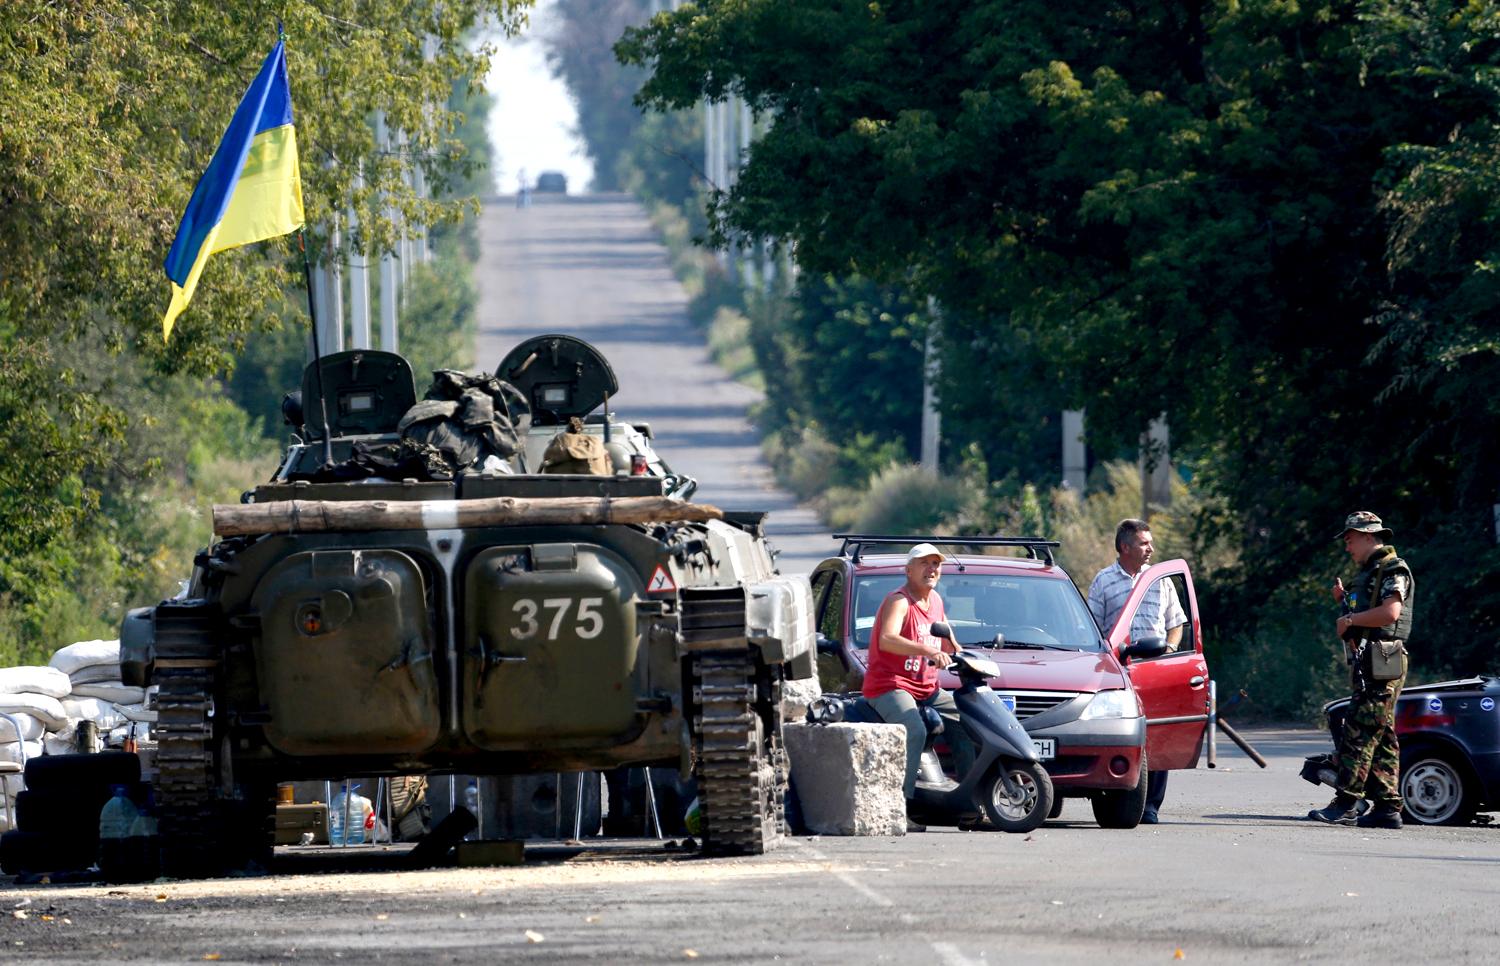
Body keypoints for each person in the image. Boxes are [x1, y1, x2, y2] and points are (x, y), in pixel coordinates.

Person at [1308, 511, 1414, 830]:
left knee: (1360, 727)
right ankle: (1386, 807)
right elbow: (1362, 614)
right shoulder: (1368, 575)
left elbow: (1390, 613)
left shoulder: (1393, 568)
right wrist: (1345, 603)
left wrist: (1351, 620)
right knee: (1381, 734)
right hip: (1371, 660)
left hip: (1383, 659)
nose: (1347, 546)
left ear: (1368, 536)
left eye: (1350, 539)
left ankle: (1346, 801)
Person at [863, 543, 975, 829]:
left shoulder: (935, 601)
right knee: (913, 729)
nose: (931, 569)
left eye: (936, 564)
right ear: (908, 570)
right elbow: (886, 639)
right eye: (924, 563)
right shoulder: (899, 601)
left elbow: (948, 638)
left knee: (965, 720)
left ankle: (970, 802)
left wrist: (964, 655)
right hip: (891, 685)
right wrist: (927, 650)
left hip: (928, 688)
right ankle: (899, 808)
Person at [1087, 518, 1186, 824]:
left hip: (1155, 670)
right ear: (1124, 547)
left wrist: (1169, 651)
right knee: (1123, 736)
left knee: (1158, 736)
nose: (1150, 548)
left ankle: (1151, 806)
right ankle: (1121, 798)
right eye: (1144, 543)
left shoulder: (1161, 580)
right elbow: (1093, 628)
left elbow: (1176, 624)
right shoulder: (1104, 581)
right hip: (1120, 671)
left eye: (1150, 542)